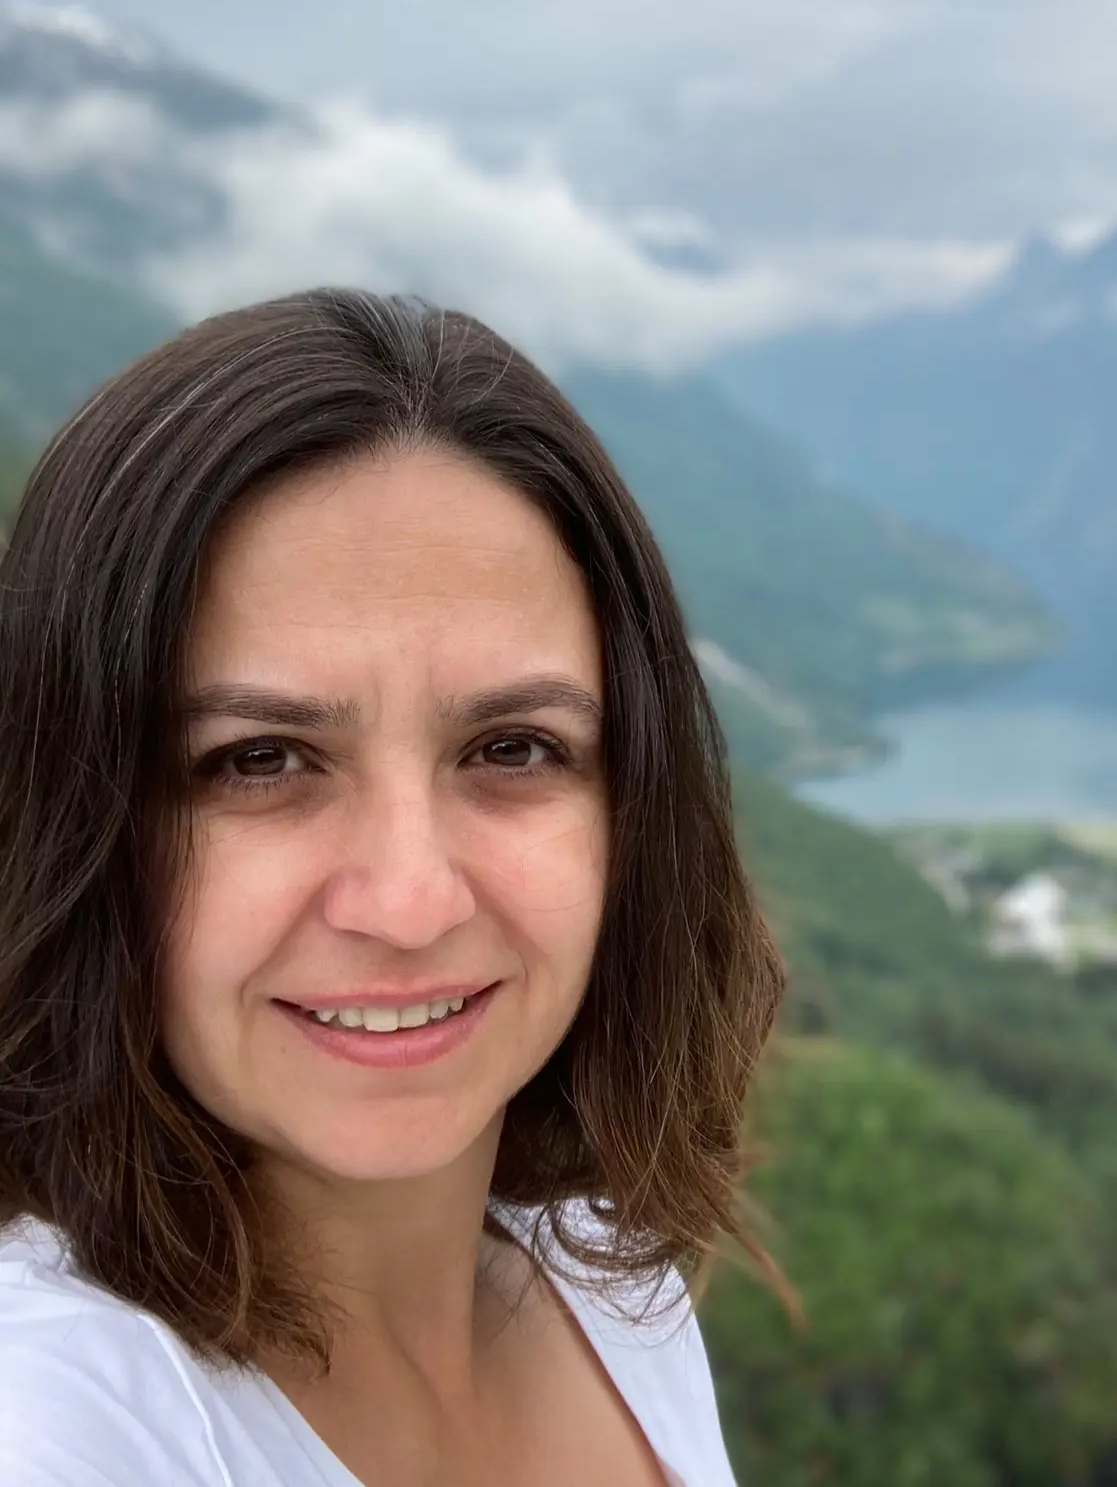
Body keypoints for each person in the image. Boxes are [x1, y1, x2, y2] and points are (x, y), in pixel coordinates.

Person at [0, 289, 785, 1486]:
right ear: (78, 828)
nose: (411, 903)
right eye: (260, 761)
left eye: (512, 748)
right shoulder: (60, 1425)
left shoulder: (604, 1284)